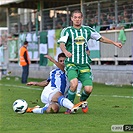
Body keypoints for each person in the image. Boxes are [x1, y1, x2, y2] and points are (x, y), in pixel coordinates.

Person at [58, 10, 122, 113]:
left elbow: (101, 38)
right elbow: (62, 43)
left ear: (82, 18)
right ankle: (70, 106)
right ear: (72, 19)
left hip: (84, 65)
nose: (77, 19)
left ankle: (82, 101)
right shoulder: (67, 31)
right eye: (75, 17)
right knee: (73, 84)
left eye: (79, 17)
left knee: (88, 89)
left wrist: (114, 43)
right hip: (71, 63)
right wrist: (65, 52)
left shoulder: (87, 30)